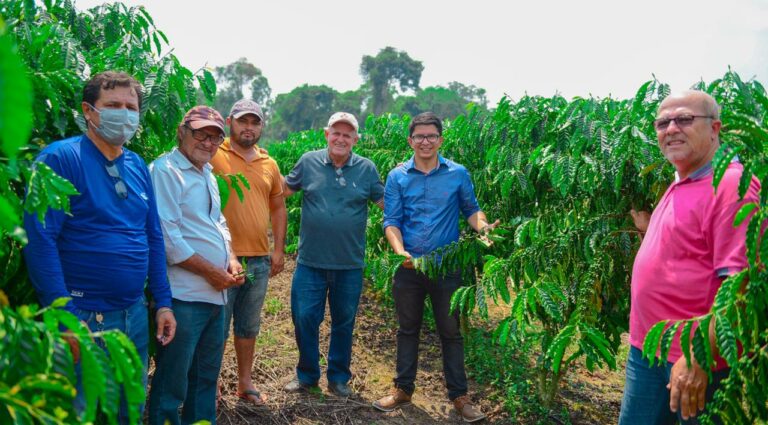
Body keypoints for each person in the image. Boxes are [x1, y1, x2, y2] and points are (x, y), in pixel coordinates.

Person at [22, 70, 176, 423]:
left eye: (131, 106)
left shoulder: (136, 164)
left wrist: (162, 302)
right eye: (113, 105)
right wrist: (65, 318)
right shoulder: (60, 159)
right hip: (84, 315)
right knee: (83, 413)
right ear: (88, 111)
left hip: (133, 315)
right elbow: (41, 240)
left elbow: (151, 235)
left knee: (128, 410)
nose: (124, 114)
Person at [619, 91, 760, 425]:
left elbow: (742, 286)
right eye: (663, 122)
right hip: (648, 349)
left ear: (715, 128)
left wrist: (698, 355)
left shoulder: (731, 186)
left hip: (691, 360)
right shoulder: (683, 177)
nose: (671, 129)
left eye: (684, 119)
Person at [373, 112, 497, 423]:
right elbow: (392, 221)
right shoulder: (397, 176)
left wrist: (482, 228)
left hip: (447, 267)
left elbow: (471, 209)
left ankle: (460, 397)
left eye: (431, 136)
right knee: (407, 329)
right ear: (410, 141)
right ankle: (402, 389)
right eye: (419, 136)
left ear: (440, 140)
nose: (425, 141)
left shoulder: (457, 173)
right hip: (409, 266)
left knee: (451, 332)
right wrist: (401, 252)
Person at [147, 105, 245, 425]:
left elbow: (219, 223)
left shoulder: (208, 174)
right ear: (182, 131)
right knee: (172, 381)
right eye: (201, 133)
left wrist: (229, 259)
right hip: (183, 297)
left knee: (205, 379)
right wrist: (211, 272)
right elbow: (167, 237)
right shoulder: (165, 171)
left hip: (215, 296)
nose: (208, 142)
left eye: (215, 137)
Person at [282, 112, 384, 397]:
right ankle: (307, 375)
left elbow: (385, 202)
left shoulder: (366, 169)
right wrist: (259, 166)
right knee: (304, 319)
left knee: (343, 322)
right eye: (336, 133)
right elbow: (283, 190)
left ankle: (338, 378)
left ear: (355, 139)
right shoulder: (308, 161)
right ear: (326, 134)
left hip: (349, 264)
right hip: (310, 262)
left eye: (347, 134)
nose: (341, 138)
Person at [210, 99, 287, 405]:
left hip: (257, 257)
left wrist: (278, 249)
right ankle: (210, 381)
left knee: (248, 325)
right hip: (220, 257)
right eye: (243, 121)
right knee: (217, 324)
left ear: (261, 127)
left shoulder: (269, 163)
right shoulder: (214, 154)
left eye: (255, 122)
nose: (249, 127)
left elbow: (278, 207)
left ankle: (245, 383)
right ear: (231, 122)